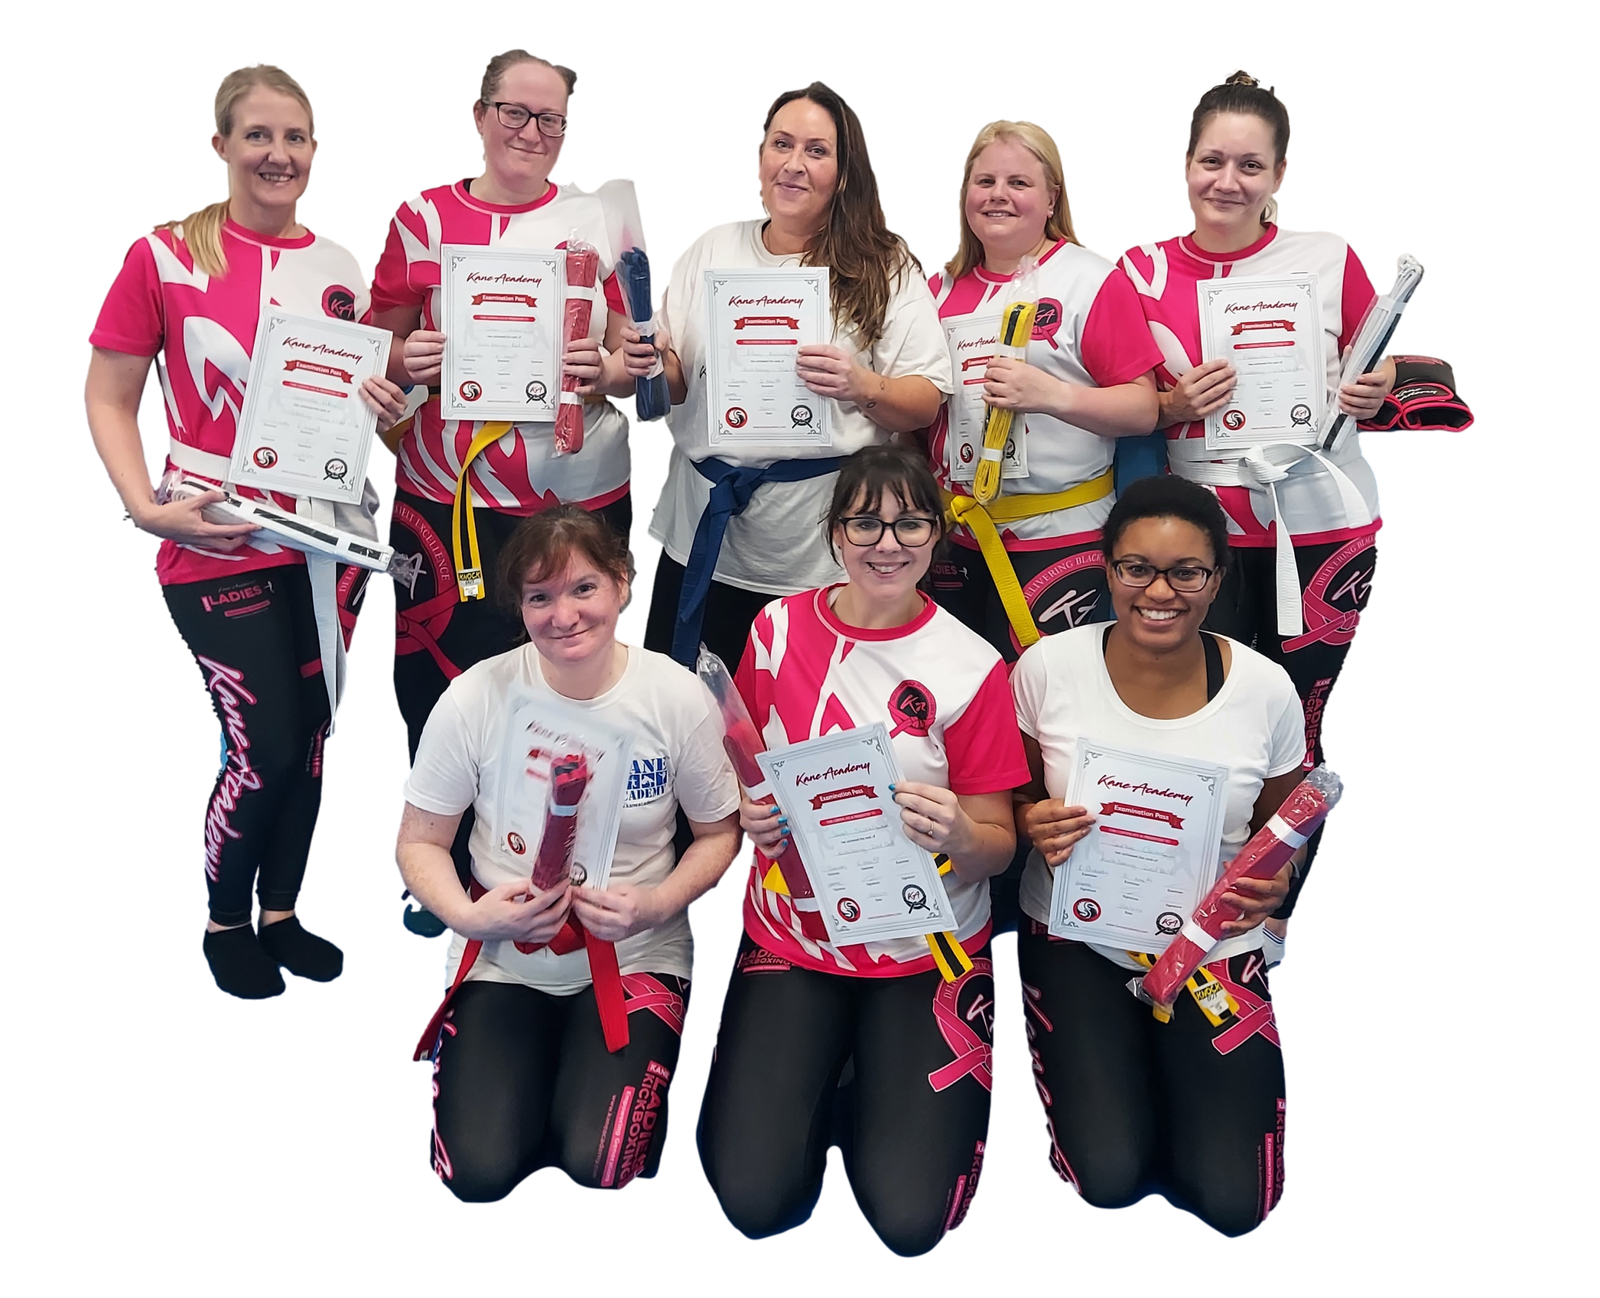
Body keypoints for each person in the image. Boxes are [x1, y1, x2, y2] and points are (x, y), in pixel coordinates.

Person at [84, 62, 409, 1000]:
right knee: (262, 746)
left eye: (296, 138)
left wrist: (385, 404)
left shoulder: (339, 265)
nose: (279, 154)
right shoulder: (166, 255)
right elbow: (109, 394)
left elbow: (361, 417)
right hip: (215, 538)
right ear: (221, 145)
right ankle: (226, 917)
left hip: (323, 544)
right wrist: (144, 505)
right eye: (257, 136)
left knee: (312, 738)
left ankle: (282, 912)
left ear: (315, 152)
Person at [699, 445, 1028, 1256]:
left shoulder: (972, 666)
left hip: (927, 945)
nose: (888, 542)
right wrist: (754, 814)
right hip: (795, 937)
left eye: (909, 521)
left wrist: (959, 833)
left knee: (913, 1222)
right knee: (752, 1201)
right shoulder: (776, 628)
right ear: (835, 531)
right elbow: (747, 768)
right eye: (866, 522)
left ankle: (866, 1079)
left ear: (936, 534)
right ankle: (827, 1070)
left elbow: (998, 846)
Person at [370, 48, 643, 935]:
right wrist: (403, 362)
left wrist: (605, 368)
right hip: (447, 499)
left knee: (571, 678)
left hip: (576, 498)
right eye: (515, 114)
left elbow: (643, 369)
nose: (532, 133)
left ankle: (565, 863)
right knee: (443, 685)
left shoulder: (600, 216)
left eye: (551, 120)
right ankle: (445, 871)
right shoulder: (420, 217)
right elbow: (379, 355)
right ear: (480, 116)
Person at [395, 506, 741, 1202]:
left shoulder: (675, 696)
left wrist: (658, 903)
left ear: (622, 584)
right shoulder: (474, 697)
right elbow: (418, 842)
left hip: (635, 950)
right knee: (476, 1176)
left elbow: (720, 833)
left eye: (584, 588)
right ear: (518, 607)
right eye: (540, 596)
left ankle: (619, 1081)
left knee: (603, 1164)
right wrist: (471, 915)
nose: (564, 614)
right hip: (504, 954)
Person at [1011, 474, 1302, 1236]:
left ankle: (1185, 1076)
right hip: (1076, 937)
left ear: (1217, 578)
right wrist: (1030, 820)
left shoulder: (1267, 690)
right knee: (1103, 1177)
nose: (1159, 591)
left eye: (1186, 572)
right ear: (1107, 569)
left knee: (1241, 1204)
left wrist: (1281, 885)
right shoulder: (1046, 669)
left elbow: (1283, 832)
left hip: (1211, 946)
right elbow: (1004, 797)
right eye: (1136, 568)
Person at [1118, 70, 1395, 802]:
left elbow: (1379, 361)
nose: (1227, 182)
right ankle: (1186, 889)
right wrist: (1171, 400)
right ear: (1185, 165)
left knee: (1298, 728)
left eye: (1249, 166)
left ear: (1278, 174)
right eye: (1212, 162)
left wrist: (1379, 383)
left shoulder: (1328, 256)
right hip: (1199, 541)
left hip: (1321, 529)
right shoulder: (1139, 270)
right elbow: (1120, 394)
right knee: (1201, 718)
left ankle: (1271, 899)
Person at [638, 81, 954, 674]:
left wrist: (863, 386)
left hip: (822, 545)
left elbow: (925, 401)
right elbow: (675, 380)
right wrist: (651, 359)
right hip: (705, 528)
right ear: (758, 158)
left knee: (811, 728)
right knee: (692, 720)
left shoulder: (883, 263)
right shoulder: (711, 249)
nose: (794, 164)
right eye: (781, 144)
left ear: (843, 171)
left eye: (817, 150)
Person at [926, 119, 1161, 661]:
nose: (998, 196)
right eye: (983, 182)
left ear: (1052, 197)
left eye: (1019, 183)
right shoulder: (935, 291)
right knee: (965, 693)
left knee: (1045, 698)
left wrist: (1051, 394)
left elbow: (1143, 407)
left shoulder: (1092, 279)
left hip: (1060, 535)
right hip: (956, 537)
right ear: (964, 195)